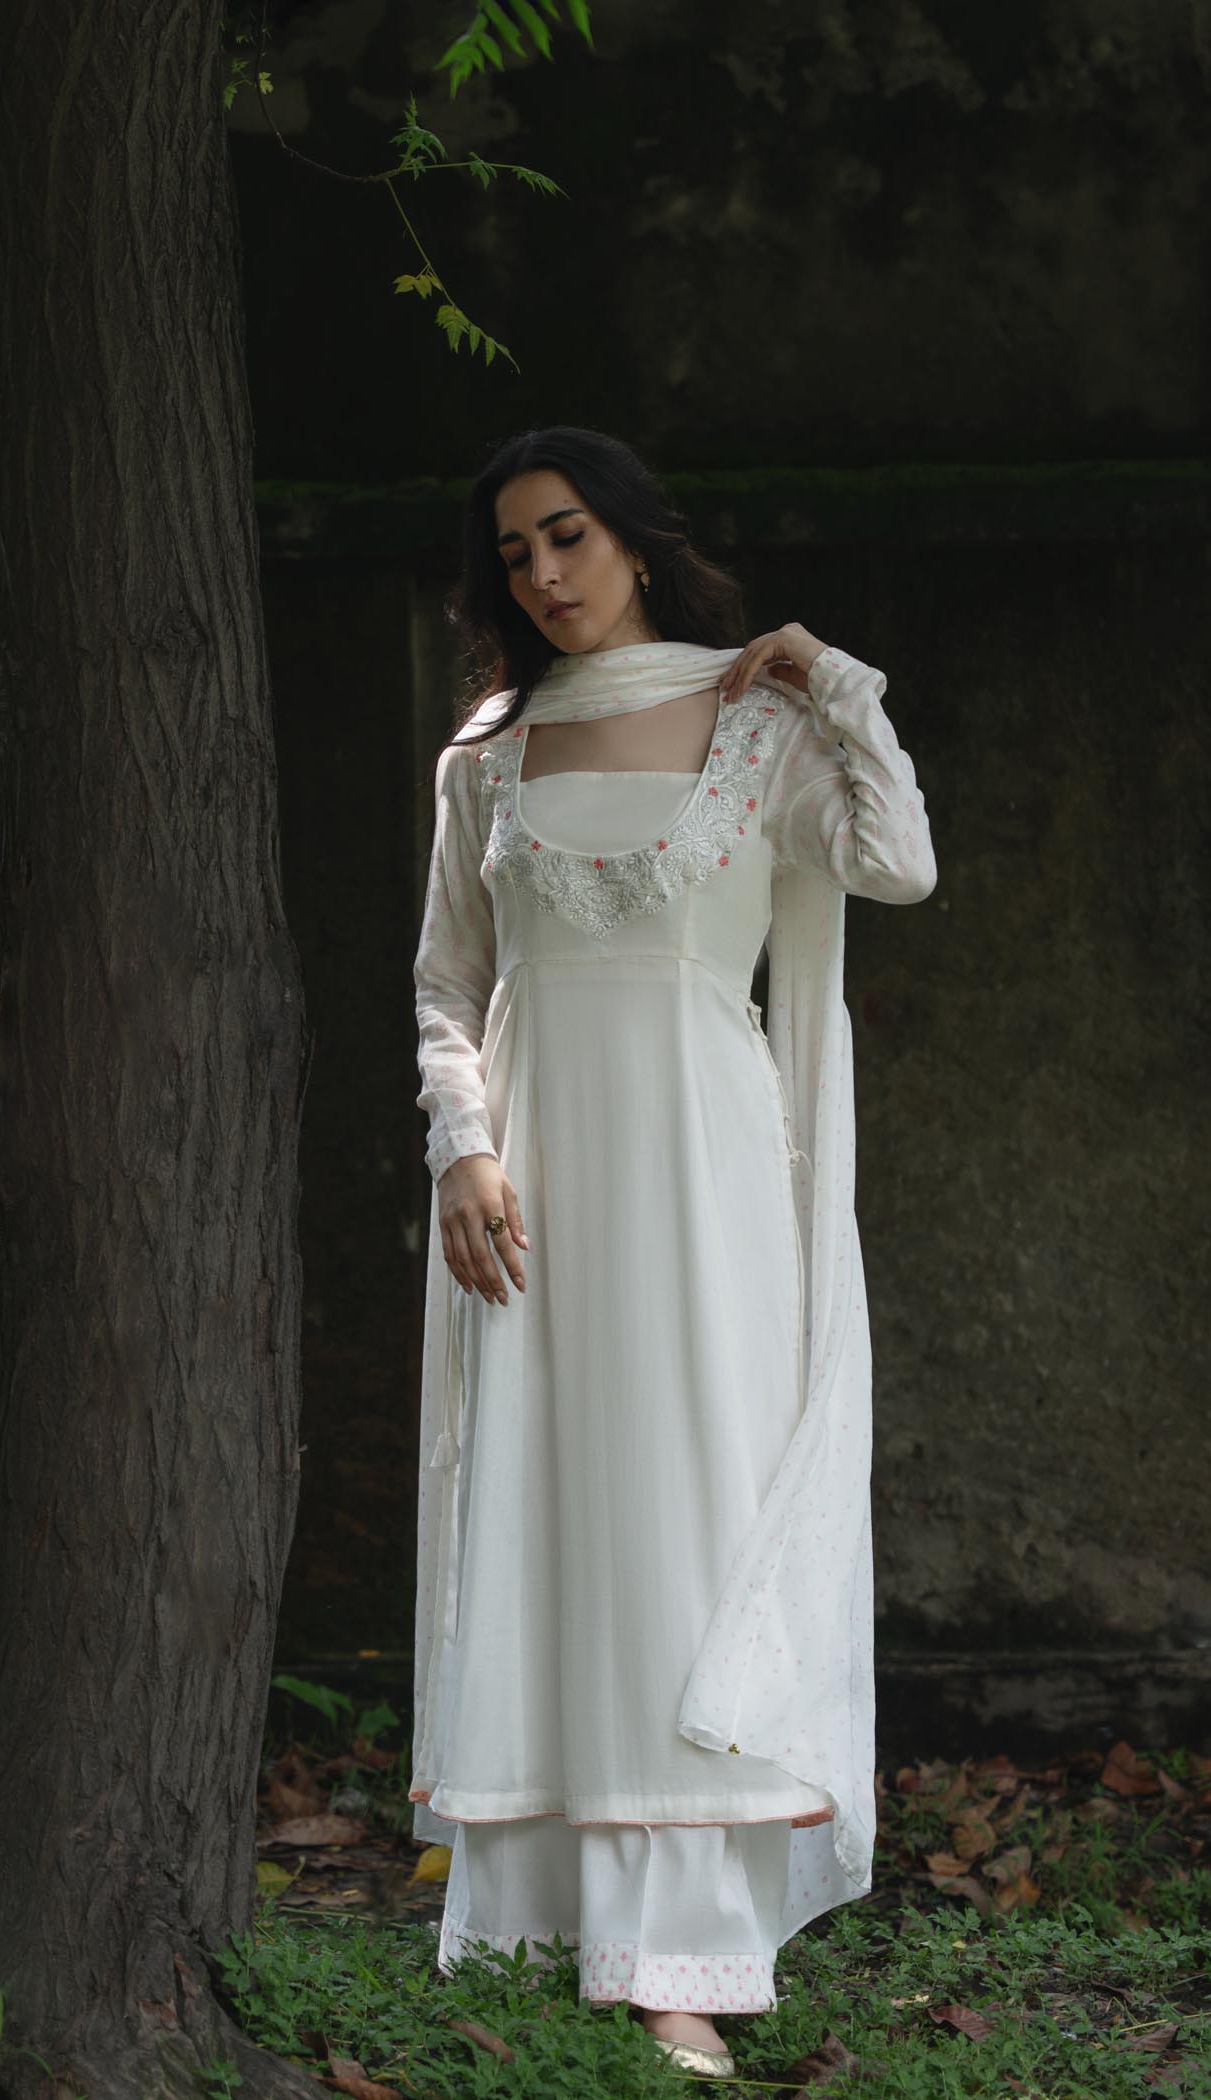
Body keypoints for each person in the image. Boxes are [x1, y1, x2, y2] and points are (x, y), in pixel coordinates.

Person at [408, 425, 937, 2078]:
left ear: (633, 538)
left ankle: (686, 1955)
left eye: (566, 535)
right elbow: (444, 985)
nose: (543, 574)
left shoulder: (758, 719)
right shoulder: (482, 758)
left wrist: (833, 679)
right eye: (513, 554)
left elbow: (898, 865)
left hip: (710, 1184)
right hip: (535, 1190)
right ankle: (570, 1902)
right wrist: (463, 1147)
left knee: (691, 1525)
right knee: (561, 1515)